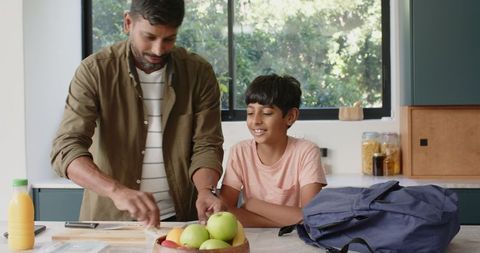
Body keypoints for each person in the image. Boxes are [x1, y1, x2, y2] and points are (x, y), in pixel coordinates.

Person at [50, 0, 225, 227]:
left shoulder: (198, 73)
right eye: (149, 37)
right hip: (110, 222)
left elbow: (207, 144)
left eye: (169, 39)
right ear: (128, 22)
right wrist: (116, 190)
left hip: (181, 221)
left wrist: (205, 190)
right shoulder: (95, 71)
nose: (158, 49)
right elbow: (66, 148)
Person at [220, 74, 327, 227]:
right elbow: (224, 212)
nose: (255, 121)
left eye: (267, 113)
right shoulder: (240, 152)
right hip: (256, 240)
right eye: (250, 112)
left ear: (290, 117)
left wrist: (253, 205)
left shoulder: (306, 152)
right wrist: (286, 220)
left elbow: (310, 218)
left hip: (297, 241)